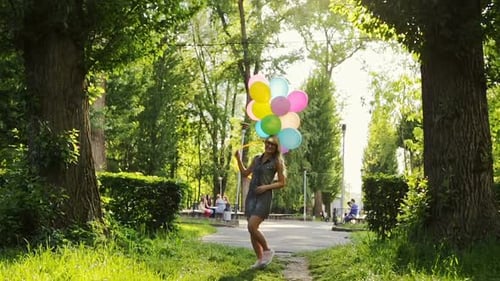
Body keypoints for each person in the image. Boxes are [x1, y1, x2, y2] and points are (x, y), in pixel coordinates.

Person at [234, 135, 286, 269]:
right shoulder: (257, 158)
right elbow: (245, 173)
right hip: (251, 195)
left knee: (252, 226)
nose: (269, 146)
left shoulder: (277, 162)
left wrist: (265, 187)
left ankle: (267, 250)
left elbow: (282, 182)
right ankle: (260, 260)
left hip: (264, 197)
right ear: (265, 143)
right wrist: (238, 159)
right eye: (268, 143)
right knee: (252, 230)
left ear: (276, 148)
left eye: (273, 145)